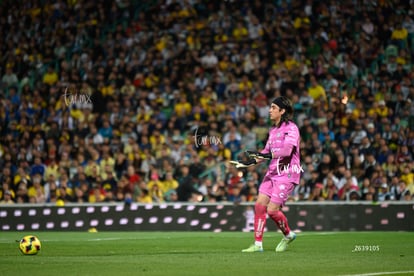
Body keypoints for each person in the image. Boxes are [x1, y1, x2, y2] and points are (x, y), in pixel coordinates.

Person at [230, 96, 301, 252]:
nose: (270, 110)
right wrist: (248, 163)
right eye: (270, 107)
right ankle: (257, 245)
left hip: (287, 173)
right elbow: (265, 153)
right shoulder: (273, 130)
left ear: (282, 111)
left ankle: (288, 235)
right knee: (259, 205)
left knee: (272, 210)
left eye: (274, 107)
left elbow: (287, 151)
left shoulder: (292, 128)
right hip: (272, 172)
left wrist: (266, 156)